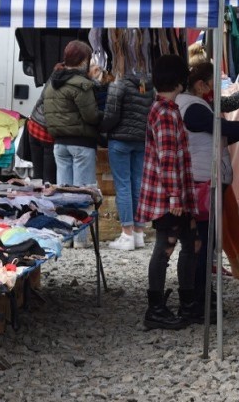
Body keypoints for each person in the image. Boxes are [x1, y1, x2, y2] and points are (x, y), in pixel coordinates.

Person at [177, 62, 239, 319]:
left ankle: (200, 297)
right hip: (203, 181)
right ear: (200, 84)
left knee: (206, 242)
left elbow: (222, 135)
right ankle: (197, 302)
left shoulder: (196, 105)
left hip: (208, 178)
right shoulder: (193, 107)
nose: (218, 89)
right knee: (201, 245)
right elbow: (223, 130)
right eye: (213, 83)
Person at [135, 55, 197, 330]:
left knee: (186, 244)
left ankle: (184, 303)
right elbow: (168, 158)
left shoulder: (161, 108)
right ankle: (157, 308)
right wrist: (175, 197)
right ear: (179, 80)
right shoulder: (167, 112)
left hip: (168, 193)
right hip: (168, 196)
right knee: (165, 248)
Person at [99, 70, 155, 251]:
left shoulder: (119, 83)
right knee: (138, 184)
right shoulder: (148, 85)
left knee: (123, 185)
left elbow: (111, 114)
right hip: (141, 140)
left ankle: (127, 234)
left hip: (120, 140)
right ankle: (139, 232)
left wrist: (103, 131)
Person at [42, 40, 101, 187]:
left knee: (64, 194)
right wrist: (105, 116)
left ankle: (64, 211)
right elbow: (91, 116)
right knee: (83, 194)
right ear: (84, 60)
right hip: (81, 144)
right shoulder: (81, 84)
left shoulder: (52, 84)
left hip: (60, 145)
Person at [25, 85, 56, 184]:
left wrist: (34, 115)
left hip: (34, 125)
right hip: (48, 133)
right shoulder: (79, 84)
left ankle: (36, 196)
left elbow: (40, 100)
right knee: (49, 179)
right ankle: (45, 196)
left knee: (38, 174)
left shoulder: (53, 78)